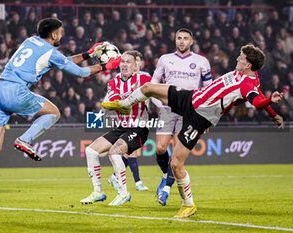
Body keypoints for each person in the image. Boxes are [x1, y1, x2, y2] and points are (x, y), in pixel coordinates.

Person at [102, 44, 284, 218]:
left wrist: (269, 101)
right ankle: (122, 105)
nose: (237, 58)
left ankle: (188, 205)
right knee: (148, 88)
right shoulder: (250, 78)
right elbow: (260, 97)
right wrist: (274, 115)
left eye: (241, 58)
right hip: (191, 98)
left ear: (248, 65)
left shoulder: (246, 85)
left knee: (176, 164)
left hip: (199, 118)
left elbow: (258, 102)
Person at [0, 18, 121, 218]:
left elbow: (63, 61)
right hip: (15, 91)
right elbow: (81, 73)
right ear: (54, 35)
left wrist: (88, 54)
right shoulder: (51, 52)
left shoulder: (31, 41)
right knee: (54, 112)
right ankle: (25, 139)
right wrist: (104, 67)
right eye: (61, 31)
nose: (62, 34)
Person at [80, 51, 151, 206]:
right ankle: (98, 191)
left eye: (128, 62)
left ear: (135, 65)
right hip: (121, 127)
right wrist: (97, 119)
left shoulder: (144, 79)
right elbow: (109, 103)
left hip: (138, 128)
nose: (124, 64)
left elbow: (157, 98)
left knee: (114, 153)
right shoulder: (113, 82)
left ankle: (123, 193)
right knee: (90, 151)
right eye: (122, 61)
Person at [151, 28, 213, 206]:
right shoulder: (165, 59)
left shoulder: (201, 61)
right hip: (168, 109)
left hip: (189, 111)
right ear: (175, 39)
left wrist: (205, 115)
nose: (182, 41)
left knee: (177, 154)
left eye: (185, 38)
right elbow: (154, 84)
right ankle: (165, 176)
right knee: (161, 148)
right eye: (179, 38)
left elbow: (208, 91)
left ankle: (166, 190)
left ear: (191, 41)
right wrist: (159, 103)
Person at [107, 50, 150, 192]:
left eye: (137, 61)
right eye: (133, 61)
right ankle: (135, 183)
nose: (136, 63)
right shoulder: (118, 79)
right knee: (130, 152)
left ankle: (117, 177)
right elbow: (114, 100)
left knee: (129, 152)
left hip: (141, 120)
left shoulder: (145, 78)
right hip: (125, 123)